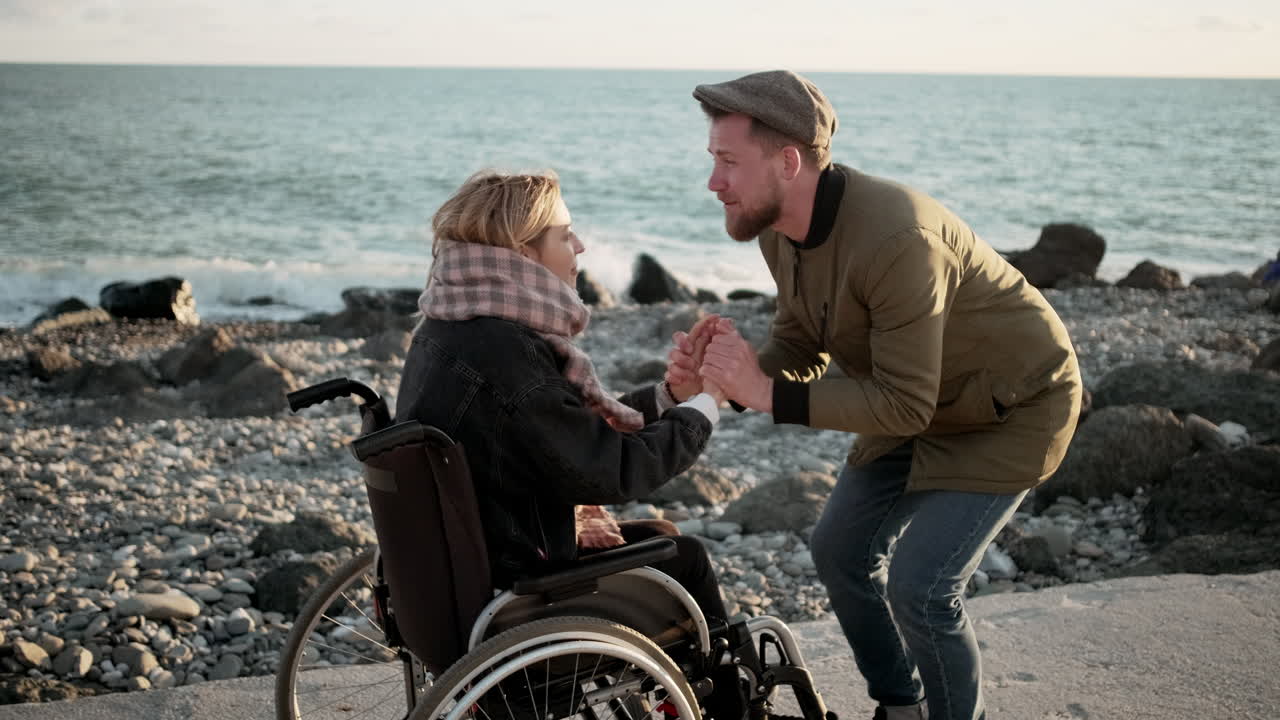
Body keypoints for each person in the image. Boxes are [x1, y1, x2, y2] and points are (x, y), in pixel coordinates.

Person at [670, 70, 1083, 720]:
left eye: (728, 163)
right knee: (839, 550)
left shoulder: (898, 240)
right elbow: (802, 348)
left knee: (922, 587)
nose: (713, 182)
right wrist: (724, 378)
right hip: (918, 395)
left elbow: (904, 406)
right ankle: (901, 706)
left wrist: (765, 395)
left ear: (788, 161)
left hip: (1015, 405)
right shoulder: (779, 226)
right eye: (712, 161)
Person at [395, 170, 746, 718]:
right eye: (565, 234)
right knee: (687, 561)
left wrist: (673, 393)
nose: (580, 245)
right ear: (521, 252)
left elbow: (559, 429)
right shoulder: (505, 353)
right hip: (518, 588)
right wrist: (708, 405)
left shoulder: (447, 326)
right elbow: (612, 472)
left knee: (659, 537)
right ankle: (732, 708)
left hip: (464, 570)